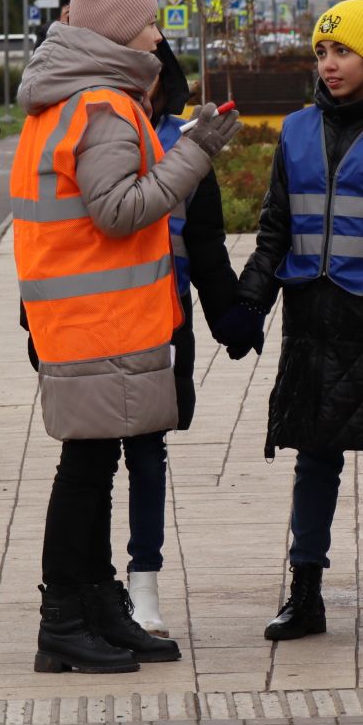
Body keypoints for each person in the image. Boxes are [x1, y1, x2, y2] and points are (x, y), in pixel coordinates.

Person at [11, 0, 242, 674]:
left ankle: (97, 605)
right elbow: (117, 211)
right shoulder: (103, 105)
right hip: (99, 318)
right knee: (85, 470)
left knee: (95, 465)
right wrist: (195, 155)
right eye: (148, 23)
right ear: (115, 32)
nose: (158, 35)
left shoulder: (63, 100)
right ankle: (63, 620)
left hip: (80, 313)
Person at [214, 0, 363, 646]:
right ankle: (305, 593)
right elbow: (274, 232)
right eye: (321, 51)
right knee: (312, 463)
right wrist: (249, 304)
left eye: (341, 50)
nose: (329, 63)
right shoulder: (296, 131)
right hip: (313, 325)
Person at [121, 39, 239, 639]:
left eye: (154, 78)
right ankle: (88, 584)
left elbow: (208, 244)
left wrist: (233, 321)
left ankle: (145, 585)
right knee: (87, 462)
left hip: (164, 321)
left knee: (148, 454)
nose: (144, 89)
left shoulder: (185, 140)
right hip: (90, 327)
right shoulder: (93, 131)